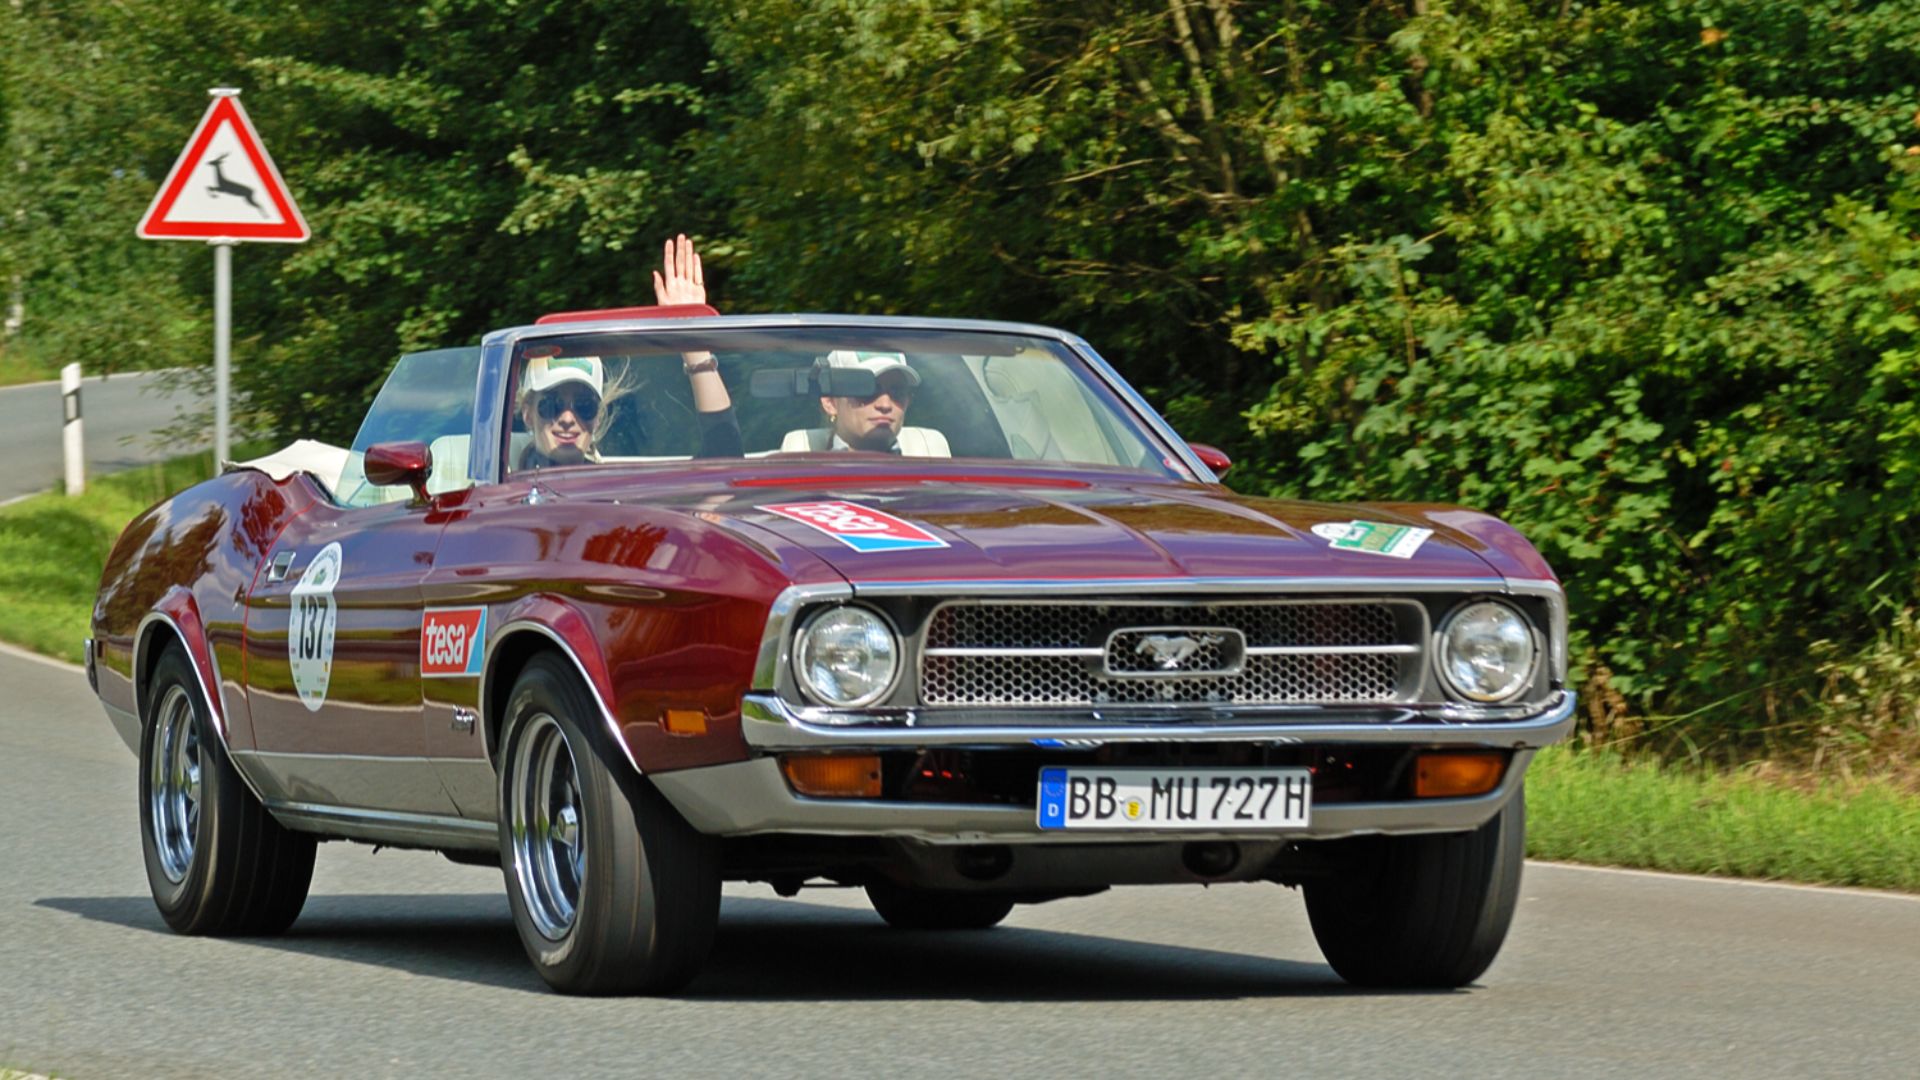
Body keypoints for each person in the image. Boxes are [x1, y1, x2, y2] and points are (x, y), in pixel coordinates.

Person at [514, 235, 740, 470]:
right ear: (528, 413)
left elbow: (726, 462)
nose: (568, 418)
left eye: (584, 406)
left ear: (598, 418)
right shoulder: (500, 483)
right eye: (551, 404)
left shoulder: (616, 485)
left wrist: (692, 339)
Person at [816, 351, 921, 453]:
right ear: (830, 402)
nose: (885, 405)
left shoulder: (927, 460)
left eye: (898, 392)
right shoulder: (809, 464)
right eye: (867, 391)